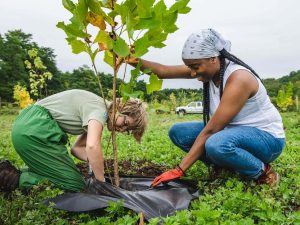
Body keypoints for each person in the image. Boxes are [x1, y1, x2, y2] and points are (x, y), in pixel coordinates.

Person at [130, 29, 285, 187]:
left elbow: (212, 130)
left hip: (266, 140)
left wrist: (179, 170)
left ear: (213, 59)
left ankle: (263, 172)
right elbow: (163, 71)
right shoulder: (209, 68)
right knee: (179, 132)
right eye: (190, 67)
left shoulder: (239, 78)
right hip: (232, 132)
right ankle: (224, 166)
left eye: (195, 67)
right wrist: (132, 59)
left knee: (215, 143)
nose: (192, 73)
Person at [0, 89, 147, 193]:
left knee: (64, 173)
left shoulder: (95, 110)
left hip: (28, 125)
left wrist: (96, 162)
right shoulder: (99, 111)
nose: (121, 130)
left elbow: (77, 148)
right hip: (35, 129)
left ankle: (8, 171)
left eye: (127, 131)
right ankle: (13, 179)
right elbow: (91, 146)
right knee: (74, 184)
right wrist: (102, 183)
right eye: (126, 123)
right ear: (120, 108)